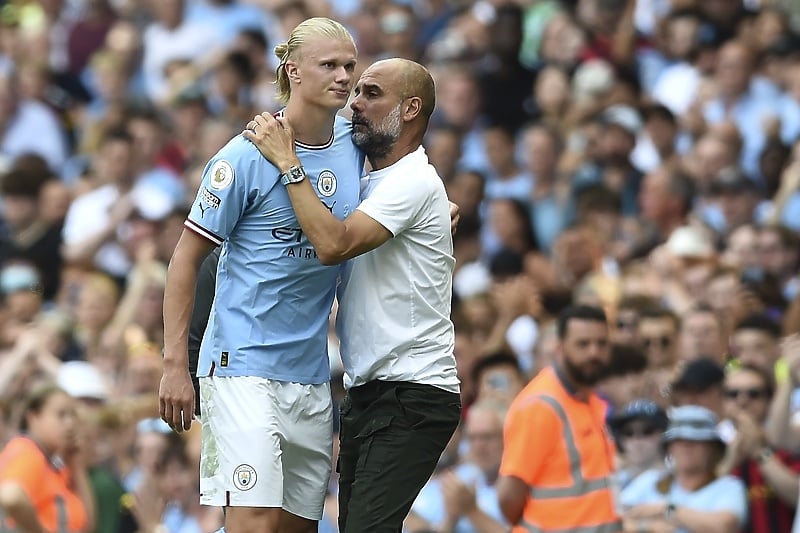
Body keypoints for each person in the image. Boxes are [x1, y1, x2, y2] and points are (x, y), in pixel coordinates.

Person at [159, 17, 362, 533]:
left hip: (311, 373)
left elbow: (403, 183)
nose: (343, 77)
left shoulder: (356, 144)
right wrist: (174, 366)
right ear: (292, 71)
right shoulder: (244, 155)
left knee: (298, 527)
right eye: (329, 65)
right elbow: (185, 257)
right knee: (256, 520)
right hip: (240, 365)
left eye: (349, 66)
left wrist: (436, 206)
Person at [244, 57, 461, 532]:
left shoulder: (413, 180)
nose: (355, 102)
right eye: (356, 90)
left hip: (412, 391)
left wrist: (288, 163)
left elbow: (333, 244)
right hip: (370, 391)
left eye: (371, 93)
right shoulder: (376, 180)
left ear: (411, 109)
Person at [495, 305, 621, 533]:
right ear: (560, 348)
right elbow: (508, 497)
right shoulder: (540, 407)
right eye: (583, 344)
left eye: (601, 344)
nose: (594, 352)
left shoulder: (590, 399)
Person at [620, 405, 748, 533]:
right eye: (679, 440)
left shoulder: (728, 487)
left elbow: (724, 527)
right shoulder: (650, 481)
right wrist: (648, 528)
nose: (686, 446)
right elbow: (612, 522)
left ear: (712, 448)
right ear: (669, 447)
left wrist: (667, 510)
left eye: (695, 440)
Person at [0, 385, 94, 533]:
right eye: (61, 415)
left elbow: (86, 527)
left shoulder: (54, 464)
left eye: (73, 415)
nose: (70, 424)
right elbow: (11, 496)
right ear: (34, 417)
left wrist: (76, 465)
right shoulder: (27, 452)